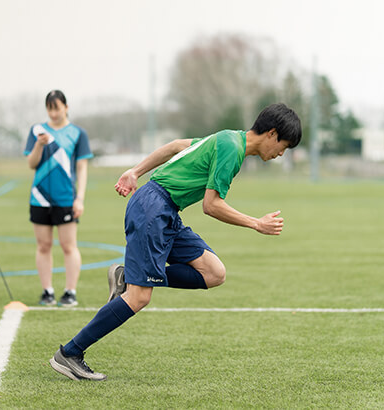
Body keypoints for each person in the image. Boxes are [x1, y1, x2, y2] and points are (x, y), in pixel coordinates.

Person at [48, 103, 301, 381]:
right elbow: (211, 205)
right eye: (284, 146)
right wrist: (256, 223)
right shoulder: (233, 149)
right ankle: (70, 352)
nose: (280, 154)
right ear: (272, 133)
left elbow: (177, 146)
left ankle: (129, 276)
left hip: (164, 211)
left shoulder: (229, 137)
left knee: (214, 273)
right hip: (154, 209)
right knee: (139, 297)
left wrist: (135, 171)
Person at [25, 90, 93, 307]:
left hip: (66, 198)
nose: (53, 113)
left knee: (68, 246)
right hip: (39, 197)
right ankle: (47, 291)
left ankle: (70, 291)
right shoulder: (37, 131)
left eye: (57, 107)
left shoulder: (77, 133)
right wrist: (39, 144)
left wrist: (79, 198)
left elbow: (82, 168)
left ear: (66, 107)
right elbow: (31, 164)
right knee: (43, 245)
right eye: (50, 108)